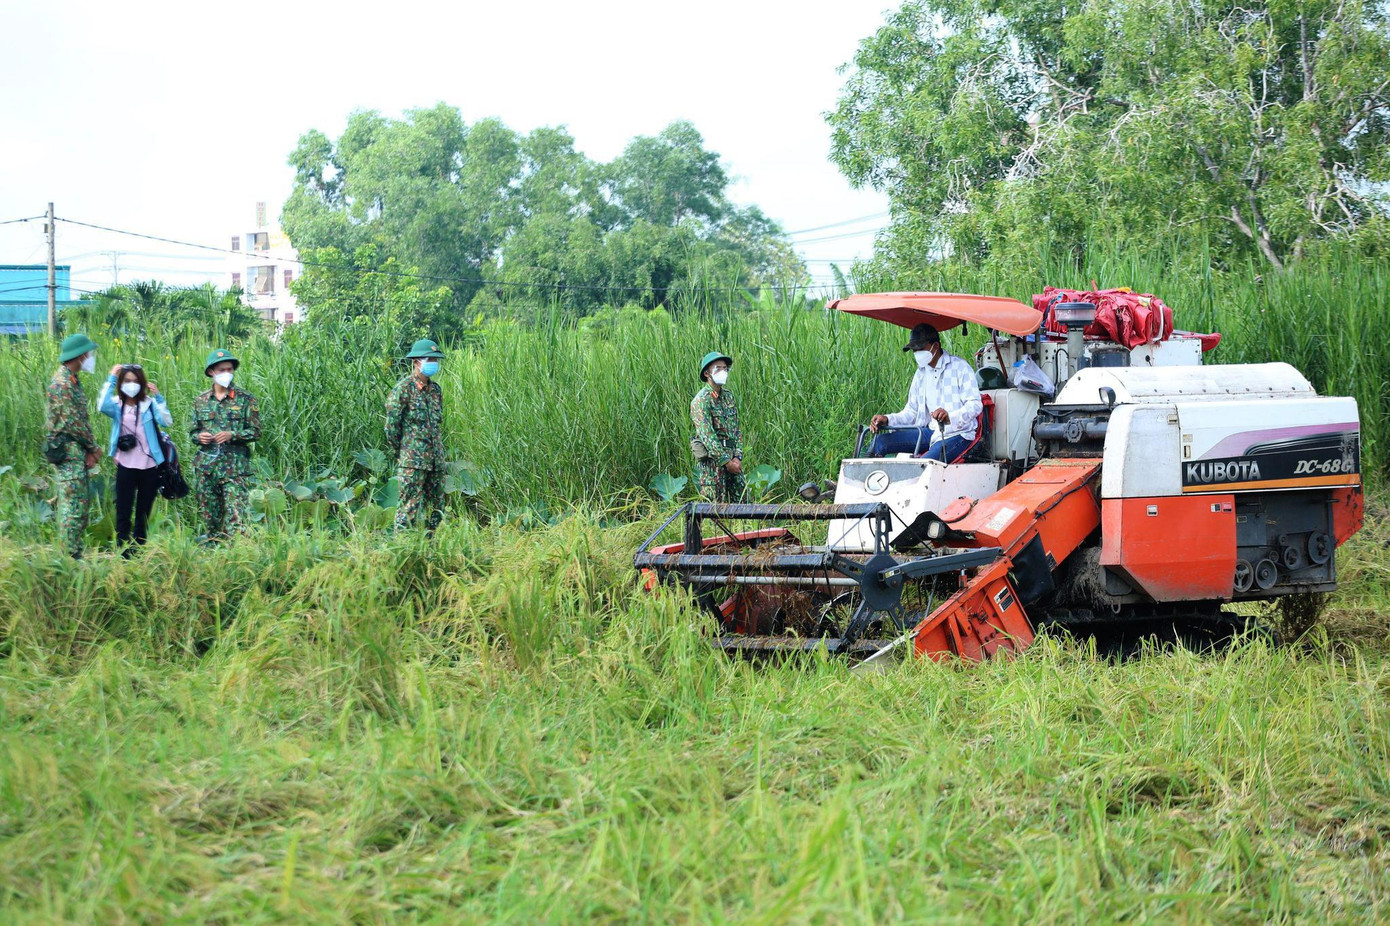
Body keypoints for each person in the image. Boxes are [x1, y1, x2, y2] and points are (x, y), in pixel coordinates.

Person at [868, 323, 983, 461]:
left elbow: (975, 405)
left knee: (924, 464)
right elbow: (912, 412)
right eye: (914, 350)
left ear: (935, 346)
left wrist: (950, 417)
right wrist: (888, 419)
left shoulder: (960, 367)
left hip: (958, 434)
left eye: (920, 348)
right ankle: (860, 480)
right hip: (930, 432)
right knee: (880, 442)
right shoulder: (921, 373)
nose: (917, 353)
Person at [98, 363, 172, 556]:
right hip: (125, 464)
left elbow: (167, 421)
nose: (132, 385)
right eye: (127, 381)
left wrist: (158, 396)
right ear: (121, 383)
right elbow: (101, 406)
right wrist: (111, 377)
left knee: (143, 512)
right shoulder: (116, 405)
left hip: (149, 465)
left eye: (136, 381)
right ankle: (123, 551)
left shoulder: (148, 404)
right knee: (123, 509)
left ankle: (139, 550)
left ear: (142, 383)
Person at [188, 348, 260, 542]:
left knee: (237, 517)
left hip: (235, 467)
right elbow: (193, 432)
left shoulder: (246, 399)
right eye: (221, 370)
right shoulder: (200, 401)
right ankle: (214, 552)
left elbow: (256, 432)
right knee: (210, 516)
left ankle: (238, 554)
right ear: (211, 371)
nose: (226, 373)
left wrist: (233, 434)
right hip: (207, 467)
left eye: (230, 369)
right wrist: (199, 437)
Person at [44, 333, 102, 559]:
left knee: (76, 502)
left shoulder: (72, 380)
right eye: (88, 353)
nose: (90, 357)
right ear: (79, 356)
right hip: (68, 450)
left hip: (73, 450)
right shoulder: (64, 383)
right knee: (73, 504)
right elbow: (73, 422)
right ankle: (70, 557)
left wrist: (87, 450)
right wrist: (93, 448)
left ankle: (72, 552)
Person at [385, 338, 447, 532]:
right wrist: (403, 453)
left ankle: (432, 551)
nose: (433, 364)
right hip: (412, 462)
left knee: (436, 511)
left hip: (435, 461)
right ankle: (403, 551)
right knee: (408, 509)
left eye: (436, 360)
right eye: (430, 359)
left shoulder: (435, 391)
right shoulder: (403, 390)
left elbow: (437, 426)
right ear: (416, 362)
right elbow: (391, 428)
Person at [691, 350, 745, 502]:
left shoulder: (728, 397)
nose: (723, 371)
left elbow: (736, 430)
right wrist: (726, 462)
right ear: (707, 373)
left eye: (725, 368)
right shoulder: (701, 400)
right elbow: (707, 436)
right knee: (714, 508)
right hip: (712, 463)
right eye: (718, 368)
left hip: (733, 460)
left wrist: (737, 457)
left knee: (744, 504)